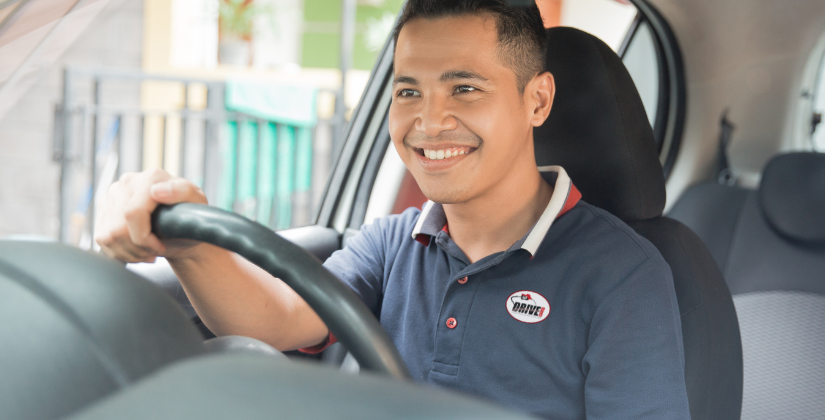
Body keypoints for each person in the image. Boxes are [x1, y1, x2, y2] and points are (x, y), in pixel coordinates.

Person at [96, 1, 691, 418]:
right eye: (408, 91)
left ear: (536, 100)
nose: (428, 123)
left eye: (464, 88)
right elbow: (277, 318)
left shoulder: (624, 277)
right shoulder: (393, 242)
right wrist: (188, 244)